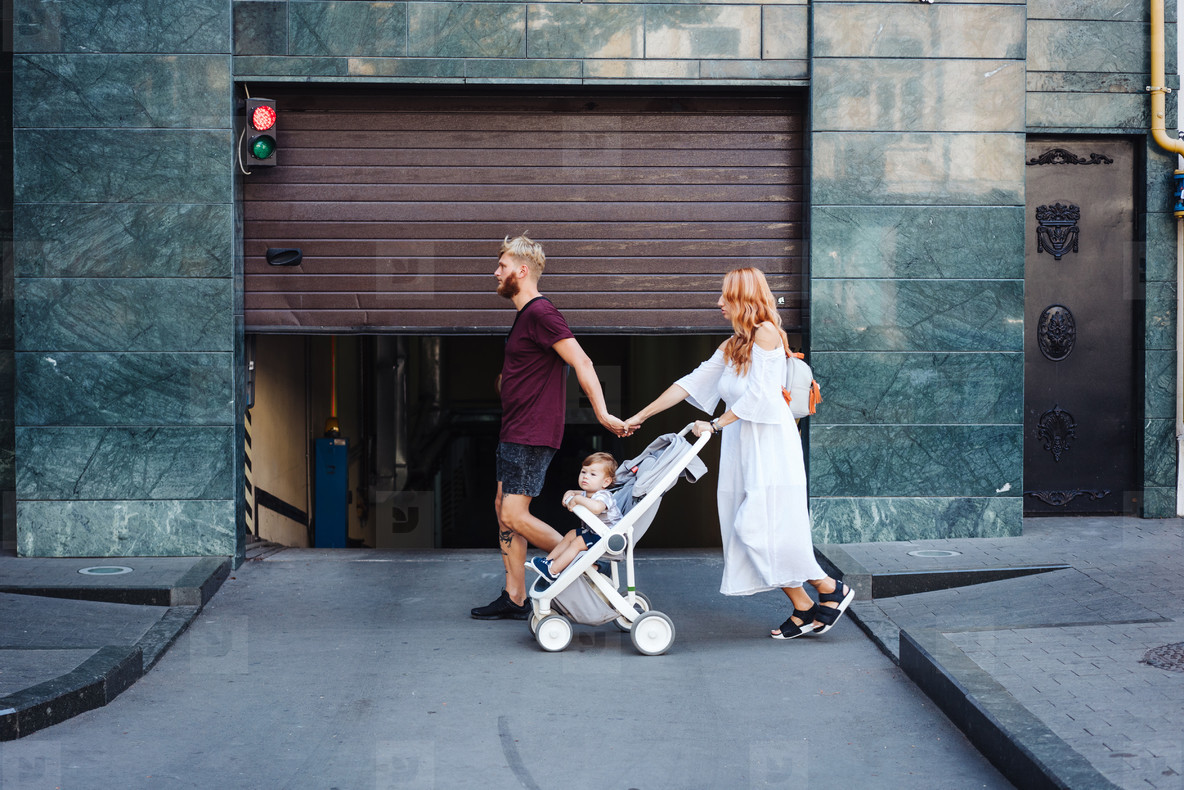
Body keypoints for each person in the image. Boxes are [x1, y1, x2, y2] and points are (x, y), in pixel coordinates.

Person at [623, 267, 853, 639]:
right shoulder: (733, 345)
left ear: (743, 299)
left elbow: (760, 397)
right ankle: (804, 605)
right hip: (740, 444)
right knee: (740, 526)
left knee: (761, 525)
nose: (718, 303)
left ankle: (829, 587)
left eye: (725, 297)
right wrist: (639, 417)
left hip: (768, 445)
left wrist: (714, 424)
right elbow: (689, 384)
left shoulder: (766, 334)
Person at [471, 235, 628, 621]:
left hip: (532, 431)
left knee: (513, 514)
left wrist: (603, 414)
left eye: (503, 267)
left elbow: (582, 361)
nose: (496, 272)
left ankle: (588, 561)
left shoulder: (542, 313)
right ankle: (515, 596)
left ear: (522, 271)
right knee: (501, 507)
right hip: (516, 428)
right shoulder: (525, 317)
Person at [530, 452, 622, 582]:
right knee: (571, 534)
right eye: (583, 472)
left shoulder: (604, 495)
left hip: (608, 538)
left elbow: (597, 507)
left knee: (579, 541)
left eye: (593, 474)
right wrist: (571, 492)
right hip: (596, 534)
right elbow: (580, 494)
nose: (585, 477)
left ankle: (553, 571)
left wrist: (578, 499)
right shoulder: (588, 493)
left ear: (606, 482)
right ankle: (548, 562)